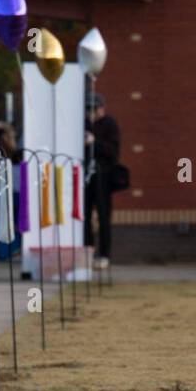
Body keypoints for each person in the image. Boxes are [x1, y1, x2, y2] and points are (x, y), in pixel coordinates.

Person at [88, 95, 121, 269]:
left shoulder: (110, 125)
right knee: (85, 215)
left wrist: (95, 142)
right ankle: (88, 250)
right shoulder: (85, 125)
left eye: (94, 109)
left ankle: (104, 254)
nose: (92, 113)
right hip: (87, 176)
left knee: (103, 215)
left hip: (104, 176)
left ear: (102, 108)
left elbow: (113, 152)